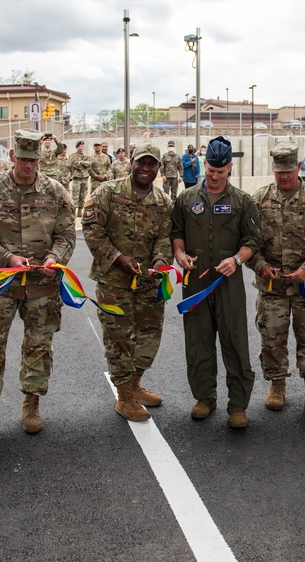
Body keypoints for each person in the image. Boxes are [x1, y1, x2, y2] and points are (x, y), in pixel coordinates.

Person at [0, 129, 76, 445]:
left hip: (42, 285)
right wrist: (6, 257)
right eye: (23, 159)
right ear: (12, 156)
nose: (28, 166)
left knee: (38, 346)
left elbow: (67, 235)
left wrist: (55, 258)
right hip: (0, 283)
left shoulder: (55, 192)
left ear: (40, 158)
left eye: (34, 160)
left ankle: (32, 404)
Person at [171, 136, 262, 429]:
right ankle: (204, 398)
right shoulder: (186, 198)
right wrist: (179, 253)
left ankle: (237, 405)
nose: (214, 176)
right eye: (210, 169)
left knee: (234, 340)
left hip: (228, 281)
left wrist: (236, 259)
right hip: (195, 280)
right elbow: (176, 232)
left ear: (229, 169)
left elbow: (252, 240)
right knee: (198, 340)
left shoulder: (242, 201)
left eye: (220, 172)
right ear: (204, 164)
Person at [83, 142, 172, 422]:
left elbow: (165, 237)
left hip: (148, 281)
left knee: (149, 334)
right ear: (131, 162)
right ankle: (124, 397)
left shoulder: (163, 202)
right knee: (118, 337)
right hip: (113, 279)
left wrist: (160, 259)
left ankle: (134, 384)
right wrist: (117, 257)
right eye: (141, 163)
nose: (146, 169)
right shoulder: (107, 192)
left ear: (158, 168)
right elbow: (92, 229)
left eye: (152, 164)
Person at [250, 142, 305, 419]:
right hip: (272, 287)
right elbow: (249, 243)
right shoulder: (259, 199)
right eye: (278, 172)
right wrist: (260, 265)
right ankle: (277, 385)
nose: (283, 177)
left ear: (298, 167)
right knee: (271, 336)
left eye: (288, 171)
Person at [69, 140, 92, 216]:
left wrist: (81, 163)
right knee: (75, 195)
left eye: (82, 146)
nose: (80, 148)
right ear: (77, 147)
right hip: (77, 177)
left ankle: (80, 211)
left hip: (85, 177)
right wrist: (84, 164)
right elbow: (75, 164)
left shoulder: (87, 156)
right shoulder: (73, 155)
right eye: (79, 146)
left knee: (83, 195)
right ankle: (74, 211)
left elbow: (89, 164)